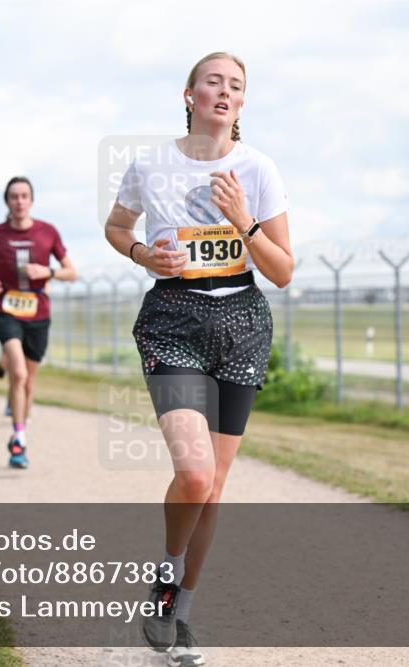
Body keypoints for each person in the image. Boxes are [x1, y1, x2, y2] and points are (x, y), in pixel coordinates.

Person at [104, 52, 293, 665]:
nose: (224, 90)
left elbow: (283, 272)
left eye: (236, 85)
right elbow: (115, 225)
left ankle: (180, 613)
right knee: (195, 474)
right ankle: (166, 576)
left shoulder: (258, 169)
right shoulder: (151, 163)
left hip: (241, 322)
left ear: (241, 104)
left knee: (213, 491)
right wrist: (140, 254)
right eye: (213, 80)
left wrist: (244, 222)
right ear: (188, 93)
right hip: (173, 319)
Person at [0, 176, 77, 468]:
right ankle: (19, 439)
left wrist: (47, 271)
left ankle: (20, 428)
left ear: (31, 200)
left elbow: (71, 272)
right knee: (18, 374)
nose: (19, 201)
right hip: (6, 309)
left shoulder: (48, 232)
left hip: (38, 314)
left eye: (23, 196)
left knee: (28, 382)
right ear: (7, 202)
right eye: (13, 196)